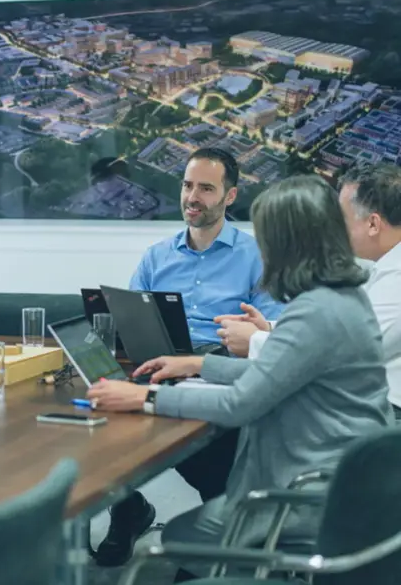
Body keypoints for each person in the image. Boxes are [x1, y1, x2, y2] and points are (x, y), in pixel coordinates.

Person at [89, 175, 393, 580]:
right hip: (340, 486)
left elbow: (241, 403)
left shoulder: (317, 311)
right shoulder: (341, 297)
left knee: (177, 538)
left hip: (303, 498)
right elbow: (279, 372)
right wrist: (199, 365)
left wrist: (142, 398)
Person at [92, 147, 284, 567]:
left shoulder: (256, 257)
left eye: (206, 188)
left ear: (230, 196)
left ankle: (221, 534)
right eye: (187, 185)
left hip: (218, 367)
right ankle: (127, 509)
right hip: (158, 363)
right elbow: (127, 318)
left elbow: (273, 337)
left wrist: (250, 334)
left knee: (210, 443)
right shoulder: (156, 256)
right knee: (95, 413)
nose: (192, 197)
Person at [217, 164, 401, 422]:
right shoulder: (385, 266)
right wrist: (272, 330)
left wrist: (256, 341)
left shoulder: (397, 276)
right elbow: (336, 329)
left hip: (385, 416)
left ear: (373, 224)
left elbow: (349, 351)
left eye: (341, 220)